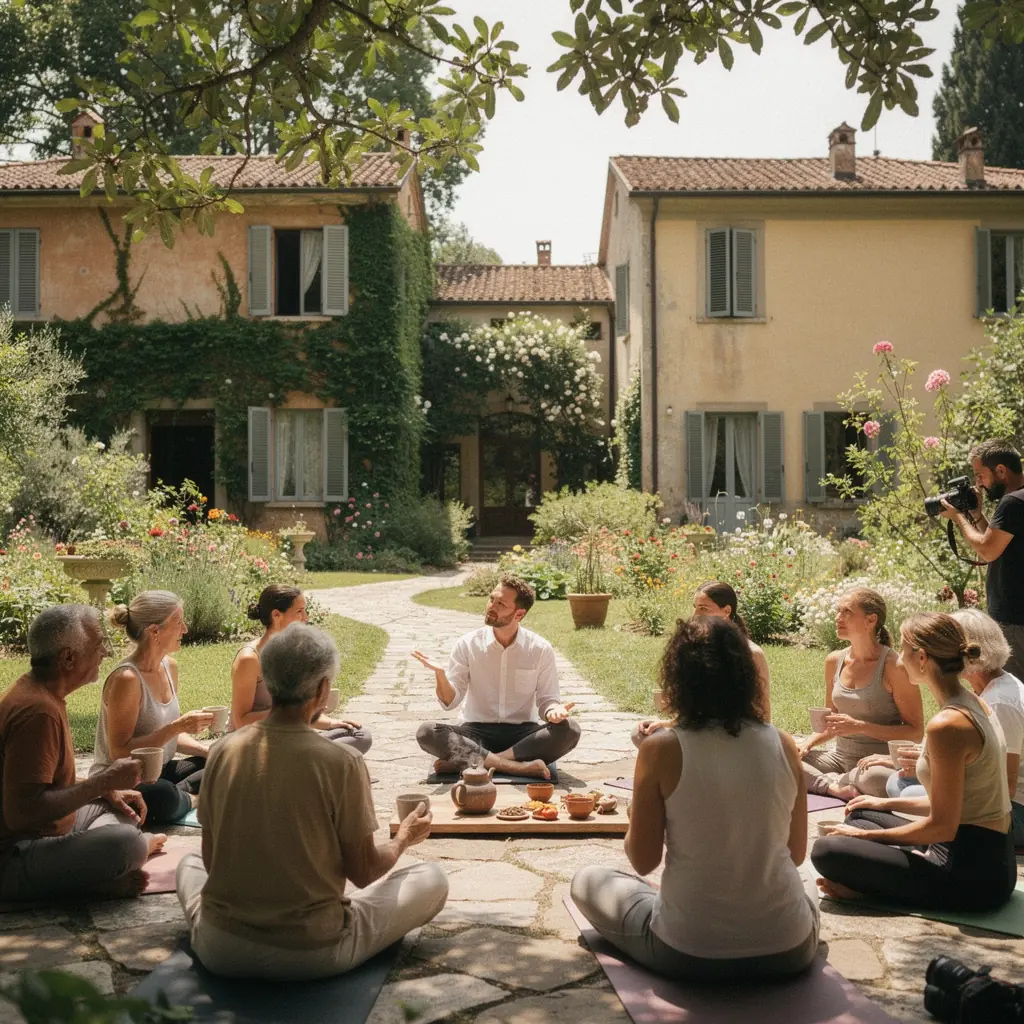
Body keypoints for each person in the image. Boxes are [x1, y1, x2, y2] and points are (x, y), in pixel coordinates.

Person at [176, 623, 447, 979]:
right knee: (432, 877)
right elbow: (364, 873)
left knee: (188, 865)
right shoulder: (342, 762)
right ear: (322, 689)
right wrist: (403, 839)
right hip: (312, 953)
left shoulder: (224, 749)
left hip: (220, 947)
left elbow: (212, 861)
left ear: (269, 682)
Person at [571, 616, 819, 982]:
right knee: (808, 885)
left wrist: (634, 814)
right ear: (745, 675)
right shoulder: (782, 743)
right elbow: (796, 854)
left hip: (688, 951)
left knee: (588, 879)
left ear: (678, 678)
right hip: (788, 949)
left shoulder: (660, 749)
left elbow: (642, 860)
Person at [812, 613, 1016, 912]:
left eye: (904, 650)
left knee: (828, 850)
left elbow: (942, 827)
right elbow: (952, 805)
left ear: (921, 658)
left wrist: (865, 838)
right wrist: (883, 805)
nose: (898, 658)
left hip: (973, 875)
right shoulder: (974, 702)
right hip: (979, 851)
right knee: (862, 812)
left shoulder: (949, 725)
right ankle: (877, 875)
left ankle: (869, 890)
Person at [0, 605, 164, 901]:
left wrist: (102, 793)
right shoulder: (38, 711)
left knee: (120, 810)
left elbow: (46, 790)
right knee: (126, 844)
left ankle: (86, 873)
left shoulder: (42, 694)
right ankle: (83, 882)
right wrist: (100, 783)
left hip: (52, 829)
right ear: (68, 657)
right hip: (14, 854)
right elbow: (20, 814)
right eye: (99, 645)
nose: (105, 653)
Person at [413, 573, 581, 779]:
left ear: (519, 614)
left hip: (521, 736)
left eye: (501, 603)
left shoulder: (540, 649)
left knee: (570, 729)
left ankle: (476, 762)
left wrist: (554, 711)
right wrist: (440, 675)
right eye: (491, 599)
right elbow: (450, 701)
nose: (491, 606)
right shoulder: (467, 644)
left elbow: (547, 701)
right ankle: (519, 767)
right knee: (427, 732)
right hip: (475, 733)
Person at [884, 608, 1024, 847]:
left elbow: (1005, 789)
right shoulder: (986, 692)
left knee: (902, 790)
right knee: (893, 782)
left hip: (1012, 815)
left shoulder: (1000, 702)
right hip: (985, 810)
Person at [91, 591, 210, 825]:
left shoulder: (169, 667)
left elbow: (170, 735)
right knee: (161, 795)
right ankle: (194, 799)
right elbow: (120, 752)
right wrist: (177, 726)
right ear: (155, 631)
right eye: (178, 623)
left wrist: (207, 751)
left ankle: (182, 796)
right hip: (122, 780)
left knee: (218, 764)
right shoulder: (127, 678)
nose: (185, 629)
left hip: (159, 772)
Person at [800, 588, 922, 799]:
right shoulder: (834, 661)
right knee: (777, 753)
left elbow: (915, 732)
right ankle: (835, 787)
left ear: (871, 620)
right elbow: (830, 723)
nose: (838, 617)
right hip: (838, 758)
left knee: (874, 780)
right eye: (838, 611)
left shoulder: (894, 666)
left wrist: (860, 727)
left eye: (846, 611)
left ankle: (832, 781)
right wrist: (806, 744)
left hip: (876, 763)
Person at [231, 585, 371, 753]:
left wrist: (331, 723)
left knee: (360, 735)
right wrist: (288, 712)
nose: (306, 617)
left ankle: (312, 763)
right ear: (276, 615)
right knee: (329, 750)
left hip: (289, 736)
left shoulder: (294, 653)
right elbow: (240, 721)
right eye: (299, 611)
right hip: (256, 744)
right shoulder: (250, 659)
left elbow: (301, 711)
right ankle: (319, 764)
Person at [633, 581, 771, 747]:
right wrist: (669, 723)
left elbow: (763, 711)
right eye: (695, 607)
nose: (696, 614)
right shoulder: (695, 648)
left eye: (704, 609)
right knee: (641, 734)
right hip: (699, 730)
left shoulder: (752, 653)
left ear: (726, 611)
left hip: (734, 734)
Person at [941, 439, 1024, 679]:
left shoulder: (1011, 503)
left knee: (1014, 692)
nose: (978, 483)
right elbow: (998, 543)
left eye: (980, 475)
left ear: (1000, 471)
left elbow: (987, 550)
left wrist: (958, 518)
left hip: (1014, 619)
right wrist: (977, 515)